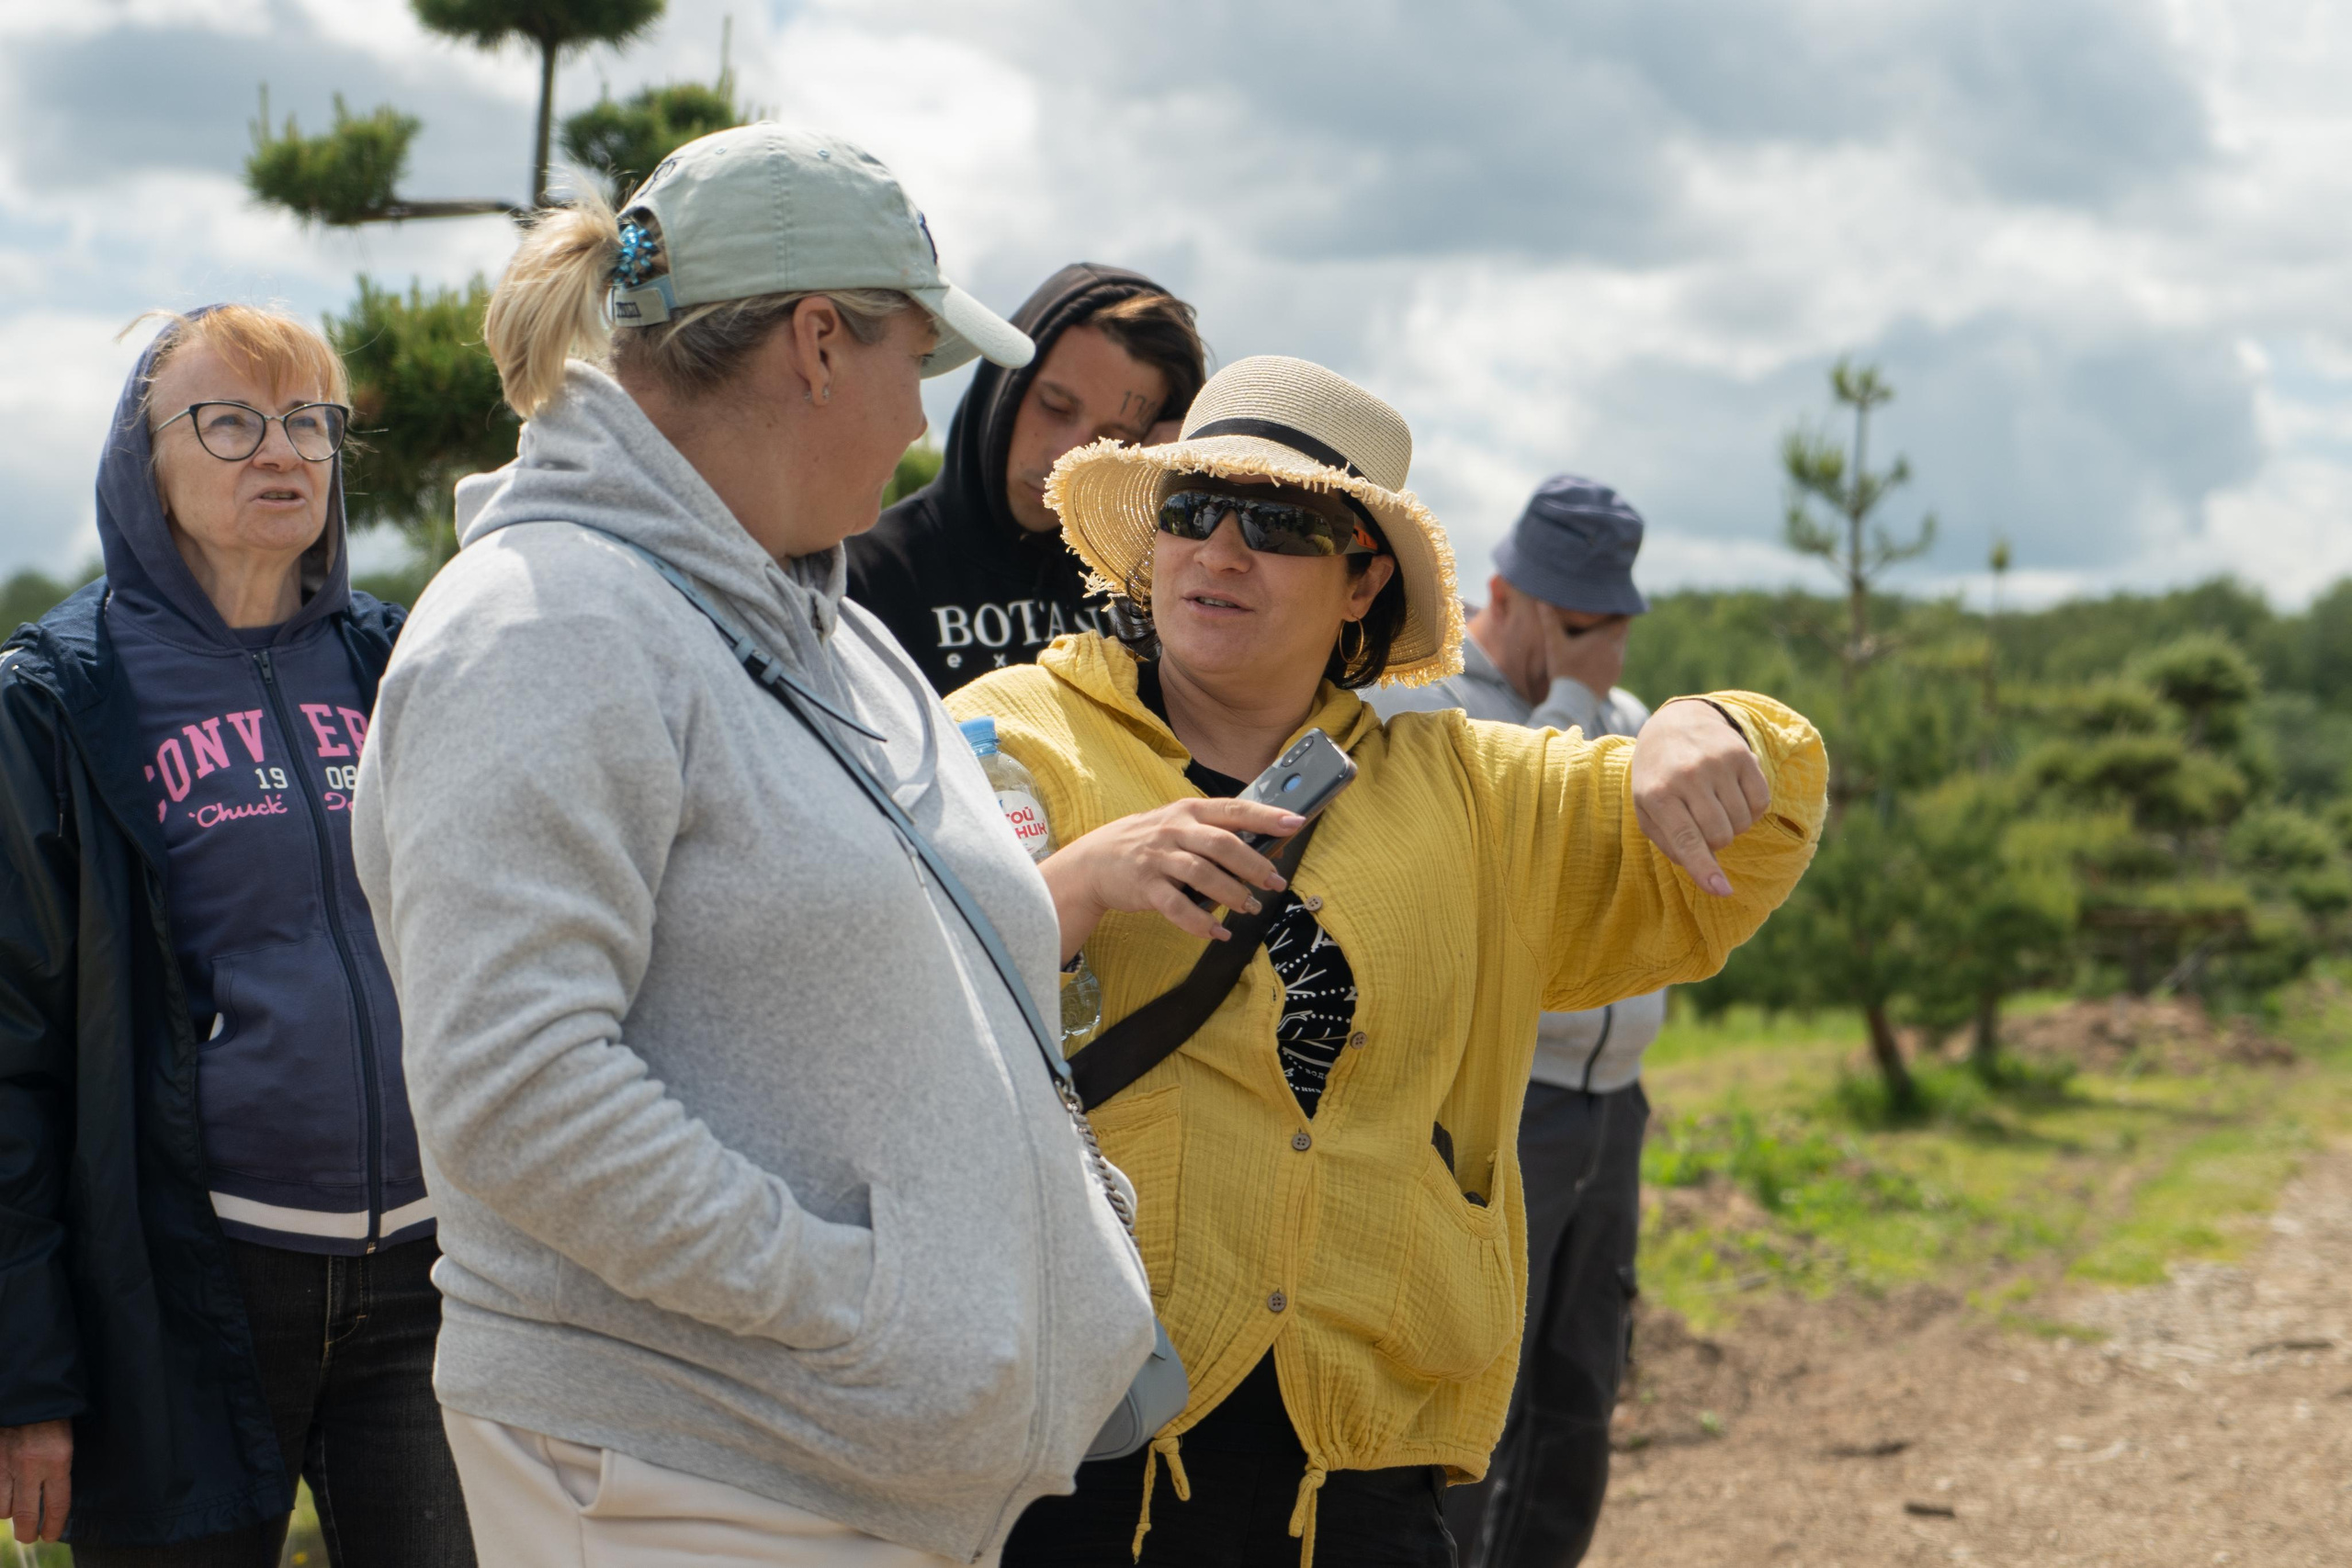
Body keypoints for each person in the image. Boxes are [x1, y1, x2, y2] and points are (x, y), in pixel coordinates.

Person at [346, 125, 1157, 1568]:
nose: (921, 422)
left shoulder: (832, 635)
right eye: (920, 362)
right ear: (820, 343)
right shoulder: (544, 626)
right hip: (689, 1478)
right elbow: (516, 1089)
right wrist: (866, 1307)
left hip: (835, 1470)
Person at [945, 356, 1827, 1566]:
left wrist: (1703, 722)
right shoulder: (1009, 735)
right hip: (1076, 1445)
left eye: (1280, 525)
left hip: (1357, 1465)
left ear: (1363, 578)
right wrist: (1081, 883)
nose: (1221, 552)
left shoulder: (1471, 795)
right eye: (1192, 510)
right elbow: (899, 1000)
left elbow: (1763, 825)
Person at [0, 305, 469, 1562]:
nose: (281, 451)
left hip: (431, 1275)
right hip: (184, 1291)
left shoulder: (400, 662)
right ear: (140, 461)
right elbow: (12, 1053)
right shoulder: (56, 699)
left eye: (310, 420)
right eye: (229, 422)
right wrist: (26, 1377)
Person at [1370, 474, 1663, 1567]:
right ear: (1503, 594)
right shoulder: (1427, 706)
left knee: (1578, 1398)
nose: (1606, 657)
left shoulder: (1626, 719)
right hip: (1495, 1101)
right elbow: (1518, 875)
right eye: (1580, 628)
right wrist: (1575, 708)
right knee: (1474, 1397)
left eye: (1616, 627)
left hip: (1612, 1107)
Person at [847, 264, 1205, 694]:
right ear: (1003, 386)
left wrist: (1180, 493)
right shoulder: (861, 574)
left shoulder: (1154, 590)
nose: (1064, 457)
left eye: (1115, 439)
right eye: (1054, 406)